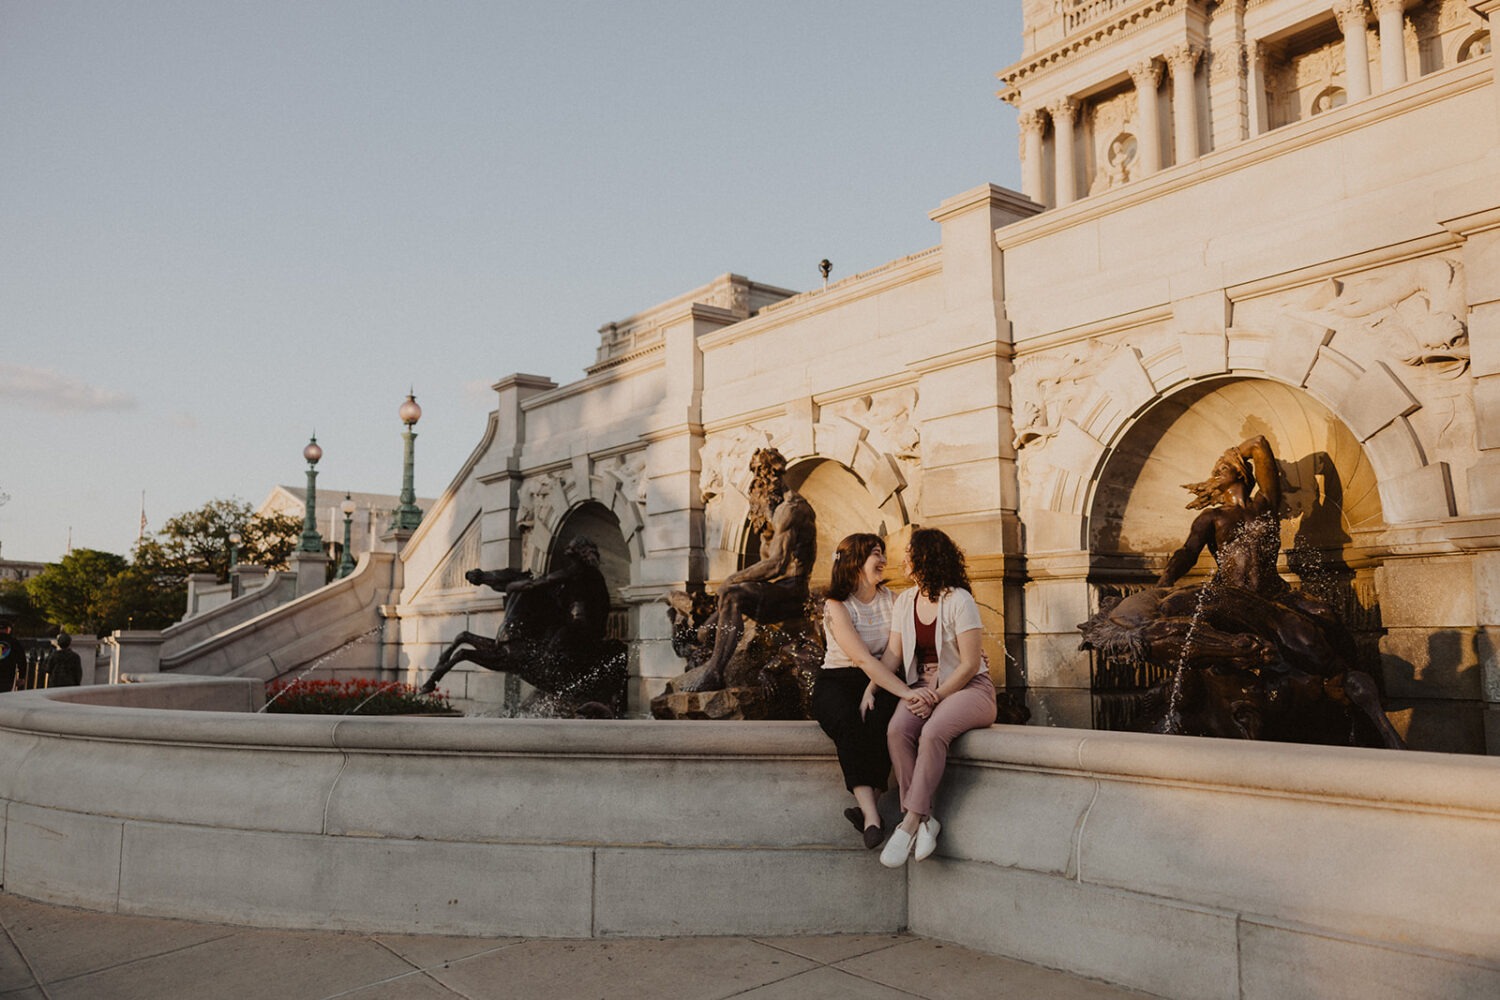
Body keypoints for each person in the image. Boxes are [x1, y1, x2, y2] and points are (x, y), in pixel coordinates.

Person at [878, 528, 997, 868]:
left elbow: (971, 663)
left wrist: (936, 697)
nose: (903, 560)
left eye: (910, 553)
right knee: (897, 732)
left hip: (969, 688)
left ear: (927, 557)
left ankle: (910, 821)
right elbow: (893, 656)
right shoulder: (905, 601)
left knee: (932, 733)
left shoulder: (959, 599)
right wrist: (873, 685)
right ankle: (927, 821)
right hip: (923, 688)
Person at [812, 534, 918, 850]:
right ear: (855, 561)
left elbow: (893, 653)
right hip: (837, 680)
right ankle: (873, 816)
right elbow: (858, 657)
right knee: (847, 722)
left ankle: (867, 813)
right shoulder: (836, 605)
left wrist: (875, 688)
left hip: (880, 677)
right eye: (875, 553)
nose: (883, 560)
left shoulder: (895, 600)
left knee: (882, 721)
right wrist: (908, 693)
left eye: (882, 553)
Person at [0, 617, 27, 693]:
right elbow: (22, 660)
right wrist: (21, 676)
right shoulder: (14, 642)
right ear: (8, 629)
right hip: (7, 676)